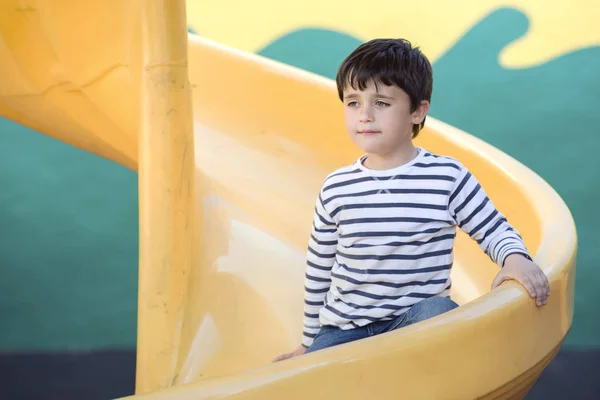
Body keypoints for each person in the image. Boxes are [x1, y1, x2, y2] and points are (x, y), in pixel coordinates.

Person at [273, 38, 550, 362]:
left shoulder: (446, 177)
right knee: (306, 381)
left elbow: (493, 228)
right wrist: (308, 343)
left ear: (417, 111)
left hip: (414, 324)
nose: (364, 115)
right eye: (352, 102)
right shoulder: (337, 187)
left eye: (381, 103)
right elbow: (319, 269)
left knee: (442, 311)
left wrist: (514, 258)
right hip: (345, 330)